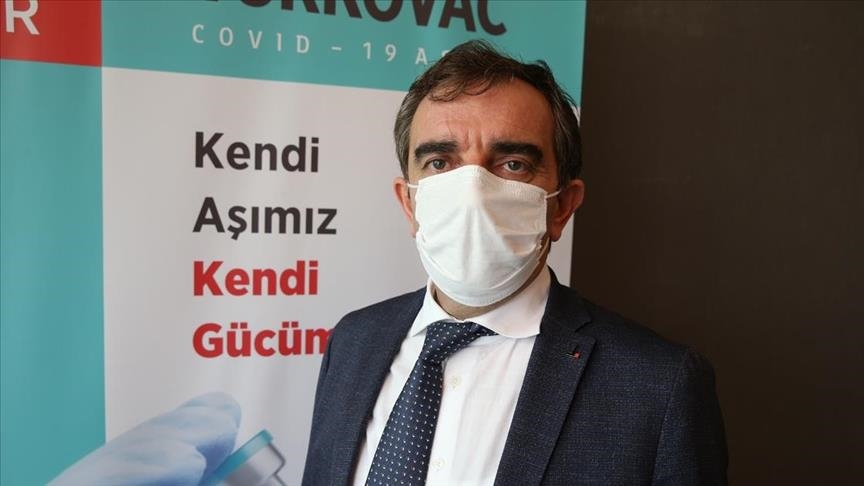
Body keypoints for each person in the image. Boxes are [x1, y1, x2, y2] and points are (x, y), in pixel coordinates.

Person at [302, 40, 727, 486]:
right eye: (440, 162)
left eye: (513, 164)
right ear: (409, 203)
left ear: (562, 206)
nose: (471, 192)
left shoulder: (659, 386)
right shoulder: (353, 343)